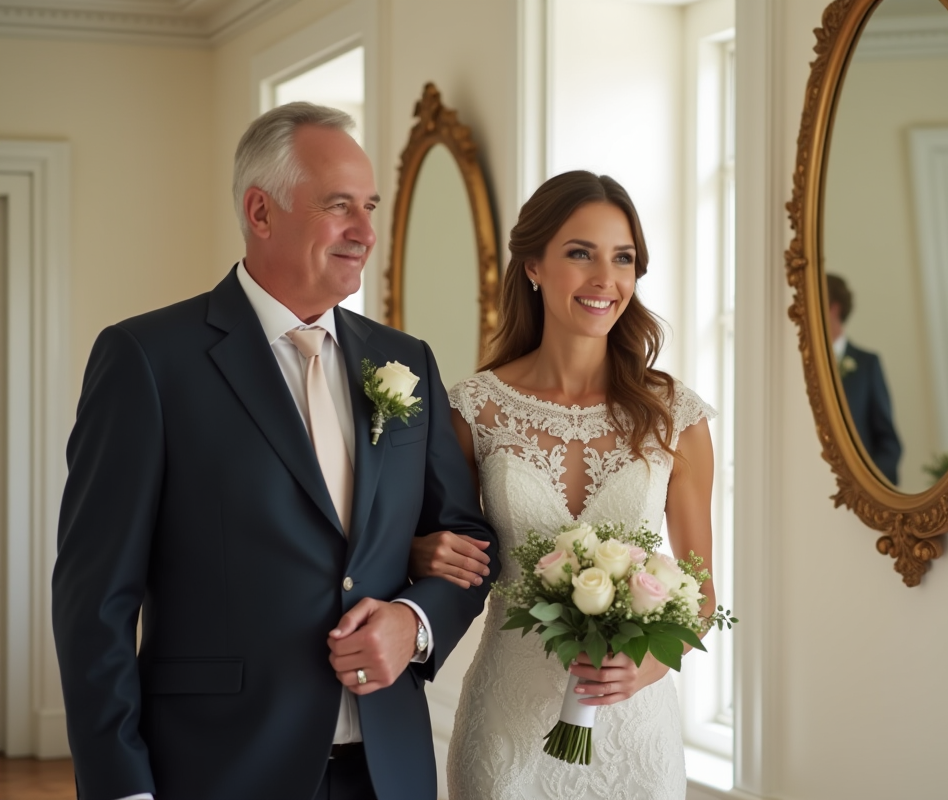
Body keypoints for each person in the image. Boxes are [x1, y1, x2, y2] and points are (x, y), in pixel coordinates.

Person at [51, 102, 497, 800]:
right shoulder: (148, 360)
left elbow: (465, 541)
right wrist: (120, 788)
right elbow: (94, 601)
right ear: (261, 212)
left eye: (371, 207)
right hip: (218, 769)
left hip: (388, 770)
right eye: (339, 206)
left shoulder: (405, 360)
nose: (365, 232)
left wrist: (413, 625)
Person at [407, 171, 718, 799]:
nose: (606, 279)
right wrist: (419, 552)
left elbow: (702, 594)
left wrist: (646, 667)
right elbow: (442, 551)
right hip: (507, 726)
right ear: (533, 266)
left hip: (633, 735)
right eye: (581, 253)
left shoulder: (675, 417)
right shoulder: (473, 410)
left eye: (623, 258)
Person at [826, 273, 902, 484]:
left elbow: (888, 444)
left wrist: (866, 484)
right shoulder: (799, 368)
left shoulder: (867, 364)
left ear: (834, 308)